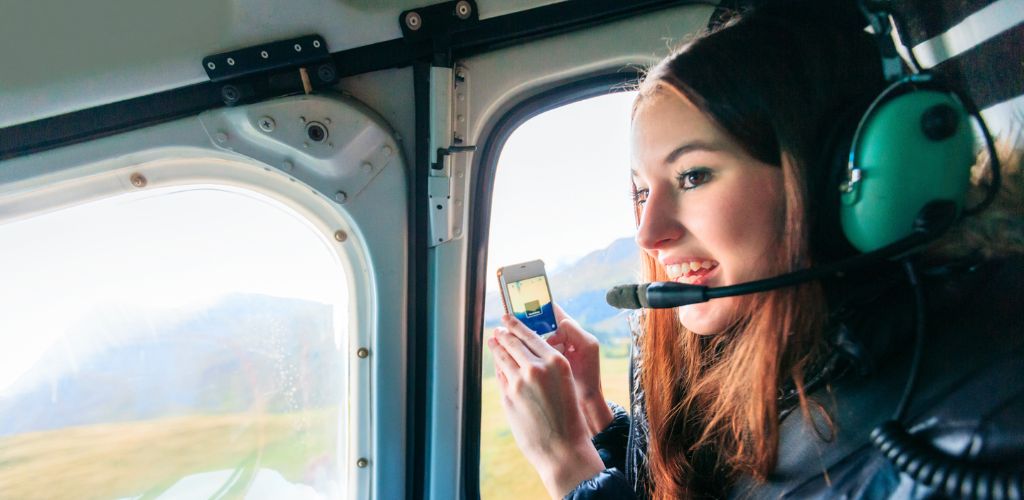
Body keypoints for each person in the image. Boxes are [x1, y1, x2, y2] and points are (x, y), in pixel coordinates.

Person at [485, 3, 1024, 499]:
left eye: (693, 175)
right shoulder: (738, 344)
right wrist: (594, 416)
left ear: (830, 176)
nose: (649, 233)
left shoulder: (970, 436)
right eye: (642, 192)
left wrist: (568, 467)